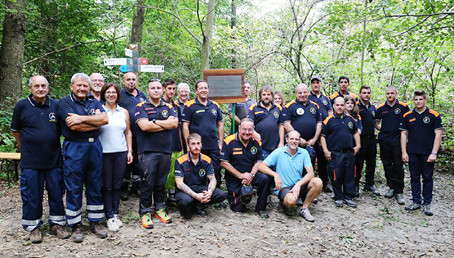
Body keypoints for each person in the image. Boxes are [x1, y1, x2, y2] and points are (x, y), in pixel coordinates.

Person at [11, 75, 70, 243]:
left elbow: (60, 130)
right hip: (30, 162)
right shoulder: (22, 106)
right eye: (36, 86)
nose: (40, 88)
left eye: (43, 85)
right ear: (30, 88)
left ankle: (57, 224)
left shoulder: (56, 105)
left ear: (48, 88)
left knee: (57, 193)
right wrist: (28, 146)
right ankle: (33, 227)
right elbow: (16, 131)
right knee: (31, 195)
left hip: (54, 160)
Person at [58, 73, 109, 243]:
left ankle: (95, 222)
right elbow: (73, 127)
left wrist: (81, 118)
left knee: (95, 183)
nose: (82, 89)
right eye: (78, 85)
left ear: (88, 88)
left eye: (85, 86)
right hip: (75, 146)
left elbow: (104, 119)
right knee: (74, 186)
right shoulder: (65, 103)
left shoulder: (93, 101)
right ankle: (75, 225)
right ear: (71, 86)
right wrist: (93, 121)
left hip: (94, 147)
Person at [135, 79, 178, 229]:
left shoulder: (169, 106)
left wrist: (154, 121)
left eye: (158, 88)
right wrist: (163, 123)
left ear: (162, 90)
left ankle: (160, 209)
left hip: (165, 150)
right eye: (153, 88)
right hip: (147, 151)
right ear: (148, 90)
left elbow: (174, 124)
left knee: (161, 183)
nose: (156, 90)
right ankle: (145, 212)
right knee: (147, 182)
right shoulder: (141, 107)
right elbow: (144, 126)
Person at [258, 130, 322, 222]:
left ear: (299, 141)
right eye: (291, 139)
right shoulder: (279, 152)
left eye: (296, 139)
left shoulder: (303, 153)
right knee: (291, 202)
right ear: (287, 139)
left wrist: (298, 184)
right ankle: (285, 203)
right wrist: (275, 175)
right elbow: (261, 166)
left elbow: (311, 173)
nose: (294, 141)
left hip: (299, 185)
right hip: (284, 188)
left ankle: (304, 208)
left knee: (318, 182)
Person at [221, 119, 274, 218]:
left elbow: (259, 161)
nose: (247, 132)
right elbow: (224, 163)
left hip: (251, 174)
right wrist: (241, 176)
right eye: (244, 129)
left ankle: (260, 208)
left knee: (265, 178)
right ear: (239, 128)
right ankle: (237, 194)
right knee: (239, 208)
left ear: (253, 130)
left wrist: (251, 175)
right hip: (235, 177)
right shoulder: (229, 141)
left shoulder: (256, 142)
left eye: (250, 130)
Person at [401, 90, 442, 216]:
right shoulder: (407, 115)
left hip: (427, 152)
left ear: (425, 100)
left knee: (427, 178)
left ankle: (427, 203)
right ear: (413, 100)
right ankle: (416, 201)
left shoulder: (433, 115)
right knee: (414, 177)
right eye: (416, 99)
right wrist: (404, 152)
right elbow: (403, 134)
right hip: (412, 152)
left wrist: (434, 153)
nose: (418, 102)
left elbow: (438, 134)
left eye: (420, 99)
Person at [99, 83, 133, 231]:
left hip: (121, 152)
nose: (111, 95)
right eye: (108, 92)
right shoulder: (99, 110)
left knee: (117, 185)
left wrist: (129, 150)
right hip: (104, 153)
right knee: (107, 185)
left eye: (114, 92)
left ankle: (115, 213)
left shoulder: (123, 112)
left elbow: (128, 133)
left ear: (118, 95)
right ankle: (109, 215)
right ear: (104, 95)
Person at [182, 80, 225, 196]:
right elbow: (185, 125)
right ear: (196, 91)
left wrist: (220, 143)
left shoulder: (215, 105)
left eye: (205, 88)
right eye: (200, 88)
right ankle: (198, 196)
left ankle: (215, 193)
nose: (203, 90)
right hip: (196, 145)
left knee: (216, 169)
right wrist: (188, 143)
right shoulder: (190, 105)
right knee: (197, 170)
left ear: (208, 90)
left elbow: (220, 124)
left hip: (212, 144)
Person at [321, 97, 361, 208]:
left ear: (344, 106)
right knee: (336, 175)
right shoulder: (328, 120)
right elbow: (323, 136)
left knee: (350, 175)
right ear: (333, 106)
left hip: (349, 152)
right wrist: (325, 151)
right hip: (335, 153)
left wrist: (358, 145)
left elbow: (355, 133)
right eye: (337, 105)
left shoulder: (350, 119)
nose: (340, 107)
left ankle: (348, 197)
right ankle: (338, 197)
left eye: (341, 105)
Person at [174, 133, 227, 219]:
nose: (196, 146)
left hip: (200, 187)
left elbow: (212, 179)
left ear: (201, 145)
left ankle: (200, 204)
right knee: (186, 204)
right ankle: (192, 206)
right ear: (188, 145)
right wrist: (196, 196)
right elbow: (179, 184)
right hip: (185, 190)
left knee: (221, 194)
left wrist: (209, 192)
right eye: (193, 144)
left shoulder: (207, 159)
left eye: (198, 143)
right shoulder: (180, 161)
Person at [375, 86, 409, 205]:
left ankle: (399, 191)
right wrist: (383, 130)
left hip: (398, 141)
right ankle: (391, 187)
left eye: (392, 93)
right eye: (388, 93)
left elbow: (408, 123)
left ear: (396, 94)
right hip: (384, 140)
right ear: (386, 94)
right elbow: (376, 123)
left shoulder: (403, 107)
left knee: (398, 165)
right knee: (387, 164)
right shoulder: (380, 108)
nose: (390, 95)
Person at [118, 72, 147, 200]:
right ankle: (123, 188)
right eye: (128, 79)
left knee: (138, 162)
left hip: (141, 135)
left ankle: (136, 186)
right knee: (125, 162)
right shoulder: (120, 95)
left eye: (133, 79)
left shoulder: (142, 95)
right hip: (125, 135)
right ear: (123, 82)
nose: (131, 81)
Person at [284, 83, 322, 166]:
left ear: (308, 93)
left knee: (310, 165)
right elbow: (286, 124)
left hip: (312, 143)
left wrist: (314, 139)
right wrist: (299, 139)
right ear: (296, 93)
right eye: (300, 93)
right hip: (295, 143)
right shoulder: (289, 106)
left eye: (305, 92)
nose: (302, 95)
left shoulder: (315, 106)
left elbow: (319, 123)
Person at [308, 75, 333, 193]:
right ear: (311, 85)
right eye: (313, 83)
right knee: (311, 159)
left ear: (320, 84)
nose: (316, 84)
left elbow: (330, 113)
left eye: (317, 82)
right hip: (312, 134)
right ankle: (310, 183)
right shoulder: (308, 97)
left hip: (324, 134)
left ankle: (325, 183)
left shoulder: (326, 99)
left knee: (324, 159)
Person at [161, 79, 184, 202]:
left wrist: (181, 146)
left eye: (174, 89)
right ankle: (161, 197)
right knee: (163, 172)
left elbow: (179, 127)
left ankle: (171, 195)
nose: (172, 91)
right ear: (163, 89)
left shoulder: (177, 107)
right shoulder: (159, 105)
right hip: (163, 145)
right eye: (169, 88)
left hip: (176, 144)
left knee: (173, 172)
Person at [356, 86, 380, 196]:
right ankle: (355, 185)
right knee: (359, 163)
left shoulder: (373, 108)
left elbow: (376, 124)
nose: (366, 95)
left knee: (371, 163)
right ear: (360, 94)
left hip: (372, 139)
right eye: (364, 93)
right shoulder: (356, 107)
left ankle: (369, 184)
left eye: (368, 93)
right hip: (360, 139)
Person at [248, 86, 284, 159]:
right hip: (261, 146)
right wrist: (254, 133)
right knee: (263, 168)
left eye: (268, 94)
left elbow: (281, 125)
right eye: (264, 95)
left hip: (276, 146)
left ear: (272, 96)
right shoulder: (254, 108)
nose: (266, 97)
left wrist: (281, 142)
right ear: (260, 96)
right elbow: (248, 125)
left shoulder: (278, 108)